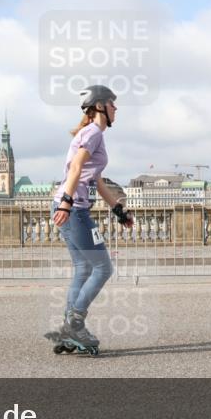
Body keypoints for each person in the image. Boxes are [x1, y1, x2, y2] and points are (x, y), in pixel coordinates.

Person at [48, 85, 134, 355]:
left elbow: (95, 180)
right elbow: (75, 168)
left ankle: (67, 329)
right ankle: (75, 323)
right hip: (75, 210)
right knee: (103, 269)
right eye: (112, 103)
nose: (116, 108)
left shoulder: (93, 134)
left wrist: (118, 210)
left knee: (83, 269)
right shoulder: (93, 132)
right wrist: (67, 202)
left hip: (70, 206)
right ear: (100, 107)